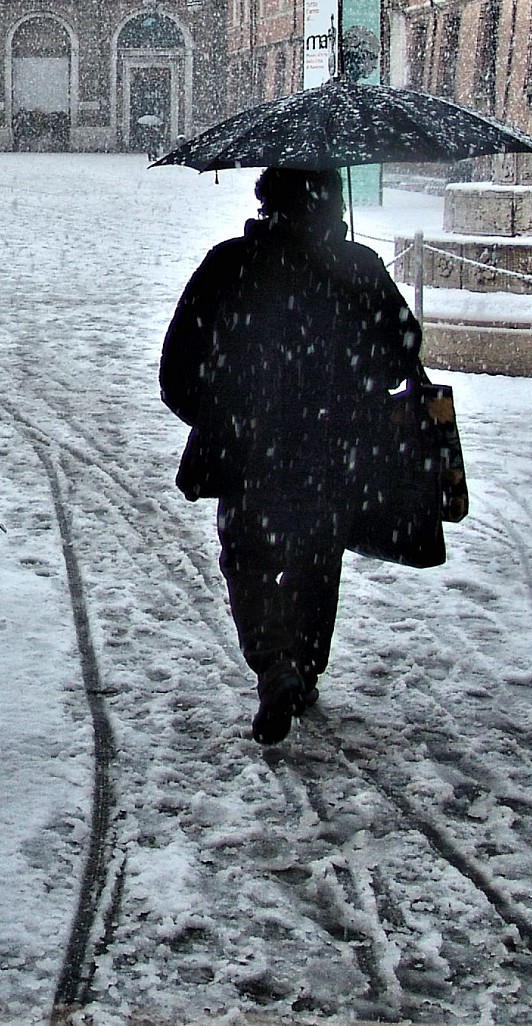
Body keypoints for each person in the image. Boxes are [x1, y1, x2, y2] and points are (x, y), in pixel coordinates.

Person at [160, 167, 423, 745]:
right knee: (316, 557)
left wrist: (218, 417)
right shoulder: (358, 269)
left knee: (248, 557)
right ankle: (303, 667)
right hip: (333, 448)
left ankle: (272, 659)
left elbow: (178, 366)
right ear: (332, 207)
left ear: (266, 203)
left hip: (250, 449)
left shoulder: (230, 264)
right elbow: (403, 349)